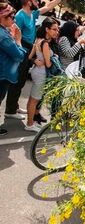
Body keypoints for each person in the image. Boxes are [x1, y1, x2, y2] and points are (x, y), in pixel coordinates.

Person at [4, 0, 61, 120]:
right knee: (17, 81)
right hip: (21, 48)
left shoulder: (32, 14)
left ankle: (14, 106)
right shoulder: (20, 15)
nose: (37, 2)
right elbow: (13, 33)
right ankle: (10, 110)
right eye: (35, 0)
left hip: (28, 49)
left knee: (22, 81)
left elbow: (49, 6)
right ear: (29, 2)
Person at [26, 17, 58, 132]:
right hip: (41, 73)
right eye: (54, 29)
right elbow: (49, 64)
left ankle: (31, 122)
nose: (56, 31)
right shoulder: (44, 43)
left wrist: (36, 60)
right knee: (34, 101)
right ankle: (30, 124)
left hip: (36, 71)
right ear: (47, 29)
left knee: (31, 99)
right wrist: (53, 58)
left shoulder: (38, 40)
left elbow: (30, 57)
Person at [0, 1, 26, 135]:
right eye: (12, 16)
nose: (14, 19)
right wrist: (18, 40)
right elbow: (19, 56)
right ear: (2, 17)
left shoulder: (4, 32)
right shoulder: (3, 36)